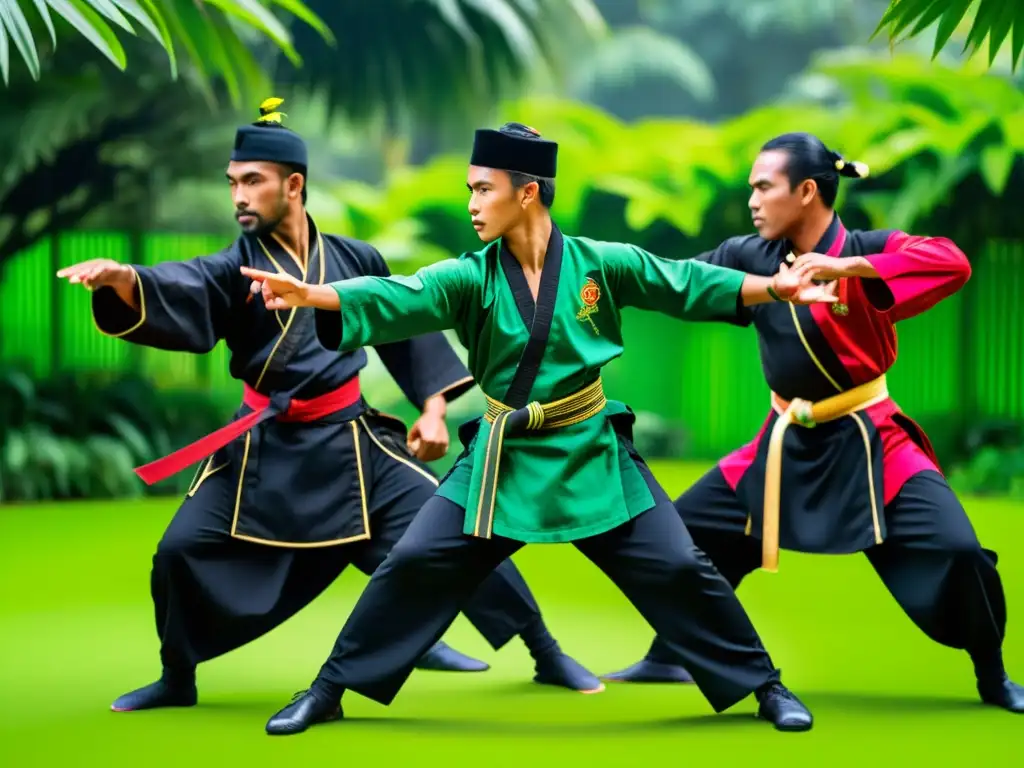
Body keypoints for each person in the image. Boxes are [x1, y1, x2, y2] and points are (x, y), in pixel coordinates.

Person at [240, 122, 839, 736]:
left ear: (527, 193)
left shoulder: (601, 264)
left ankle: (765, 685)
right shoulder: (471, 276)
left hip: (590, 451)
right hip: (504, 456)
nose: (472, 205)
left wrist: (775, 287)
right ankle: (330, 689)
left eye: (483, 190)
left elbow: (685, 282)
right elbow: (402, 294)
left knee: (682, 566)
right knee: (413, 561)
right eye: (469, 190)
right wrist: (313, 294)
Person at [55, 101, 603, 714]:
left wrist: (432, 408)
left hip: (353, 445)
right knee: (179, 553)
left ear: (294, 185)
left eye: (252, 180)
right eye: (232, 182)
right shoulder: (232, 266)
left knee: (462, 530)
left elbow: (403, 326)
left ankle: (544, 650)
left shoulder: (354, 259)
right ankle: (176, 675)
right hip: (264, 449)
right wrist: (125, 280)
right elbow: (180, 286)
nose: (238, 195)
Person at [600, 132, 1024, 714]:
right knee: (679, 534)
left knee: (959, 552)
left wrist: (854, 267)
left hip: (871, 438)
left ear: (805, 192)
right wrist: (594, 277)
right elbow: (676, 280)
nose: (753, 199)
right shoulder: (751, 256)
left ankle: (992, 671)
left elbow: (953, 262)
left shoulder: (867, 249)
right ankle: (671, 653)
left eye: (763, 187)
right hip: (782, 443)